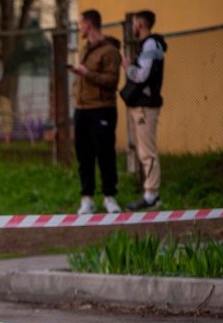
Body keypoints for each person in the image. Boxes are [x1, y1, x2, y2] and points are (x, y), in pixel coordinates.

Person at [70, 9, 123, 216]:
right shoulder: (86, 49)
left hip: (102, 110)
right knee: (84, 156)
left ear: (89, 24)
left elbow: (112, 81)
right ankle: (87, 199)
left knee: (105, 155)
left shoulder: (109, 51)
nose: (80, 28)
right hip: (82, 109)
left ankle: (110, 197)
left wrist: (86, 73)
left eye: (81, 24)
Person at [123, 10, 167, 211]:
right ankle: (150, 193)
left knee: (147, 151)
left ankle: (151, 195)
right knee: (144, 150)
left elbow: (142, 75)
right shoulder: (149, 45)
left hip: (146, 107)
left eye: (133, 23)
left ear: (140, 24)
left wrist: (127, 68)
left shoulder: (150, 45)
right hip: (143, 106)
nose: (132, 27)